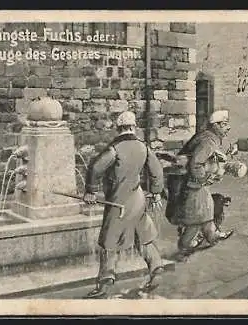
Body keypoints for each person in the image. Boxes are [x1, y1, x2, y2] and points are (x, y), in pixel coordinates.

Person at [83, 111, 165, 298]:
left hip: (118, 202)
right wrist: (156, 192)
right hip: (138, 199)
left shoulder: (115, 149)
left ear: (118, 128)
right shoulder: (143, 147)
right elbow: (156, 170)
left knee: (108, 242)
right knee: (143, 236)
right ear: (133, 127)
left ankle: (105, 283)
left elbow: (96, 168)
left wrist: (91, 191)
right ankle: (156, 267)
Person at [172, 110, 235, 262]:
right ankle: (184, 248)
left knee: (207, 210)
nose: (228, 128)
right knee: (197, 218)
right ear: (216, 126)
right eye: (225, 125)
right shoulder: (209, 141)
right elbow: (196, 164)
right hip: (193, 183)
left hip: (192, 182)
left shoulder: (208, 136)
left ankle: (212, 236)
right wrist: (205, 179)